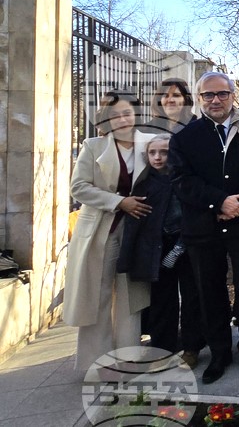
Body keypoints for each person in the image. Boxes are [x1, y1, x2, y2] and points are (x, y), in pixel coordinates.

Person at [170, 71, 239, 385]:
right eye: (208, 95)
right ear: (199, 99)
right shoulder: (184, 137)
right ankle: (219, 353)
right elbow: (182, 181)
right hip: (204, 227)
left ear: (233, 95)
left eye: (222, 94)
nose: (215, 100)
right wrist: (219, 202)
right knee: (209, 291)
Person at [65, 91, 154, 370]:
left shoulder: (150, 144)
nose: (123, 119)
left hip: (137, 230)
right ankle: (96, 362)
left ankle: (128, 357)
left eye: (127, 113)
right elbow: (78, 187)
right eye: (115, 115)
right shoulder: (93, 146)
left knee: (130, 296)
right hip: (100, 230)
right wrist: (119, 202)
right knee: (98, 295)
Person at [117, 134, 204, 368]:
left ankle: (192, 347)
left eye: (164, 152)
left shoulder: (184, 179)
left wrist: (179, 247)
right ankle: (162, 348)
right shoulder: (144, 183)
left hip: (187, 244)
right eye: (152, 152)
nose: (158, 157)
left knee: (192, 296)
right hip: (157, 246)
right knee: (161, 299)